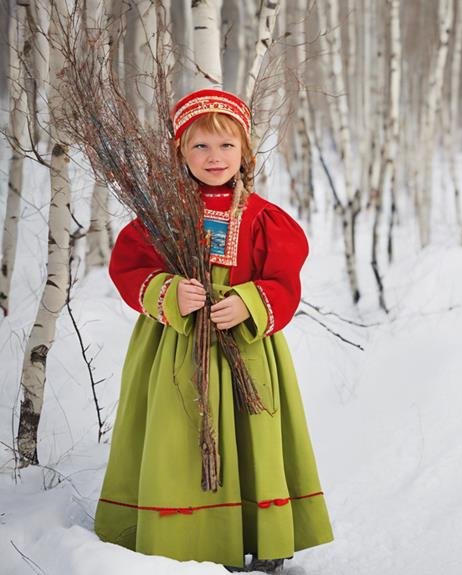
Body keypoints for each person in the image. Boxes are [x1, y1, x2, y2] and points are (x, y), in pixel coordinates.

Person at [94, 88, 333, 572]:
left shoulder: (265, 218)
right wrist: (168, 292)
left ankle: (258, 535)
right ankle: (174, 535)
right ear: (180, 151)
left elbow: (284, 283)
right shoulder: (162, 217)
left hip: (246, 353)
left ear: (245, 151)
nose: (214, 157)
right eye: (200, 146)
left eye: (226, 146)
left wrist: (248, 303)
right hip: (176, 352)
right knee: (176, 437)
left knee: (253, 440)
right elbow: (129, 268)